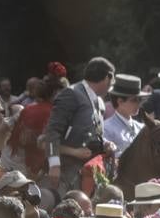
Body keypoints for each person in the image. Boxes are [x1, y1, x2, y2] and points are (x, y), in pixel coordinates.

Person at [42, 57, 116, 194]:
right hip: (65, 170)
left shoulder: (99, 102)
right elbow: (52, 131)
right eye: (111, 81)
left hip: (90, 170)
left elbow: (94, 133)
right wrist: (54, 164)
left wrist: (105, 143)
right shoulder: (71, 93)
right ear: (107, 77)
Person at [102, 74, 149, 157]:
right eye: (134, 100)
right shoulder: (106, 128)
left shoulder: (142, 127)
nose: (139, 104)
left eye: (140, 100)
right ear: (120, 101)